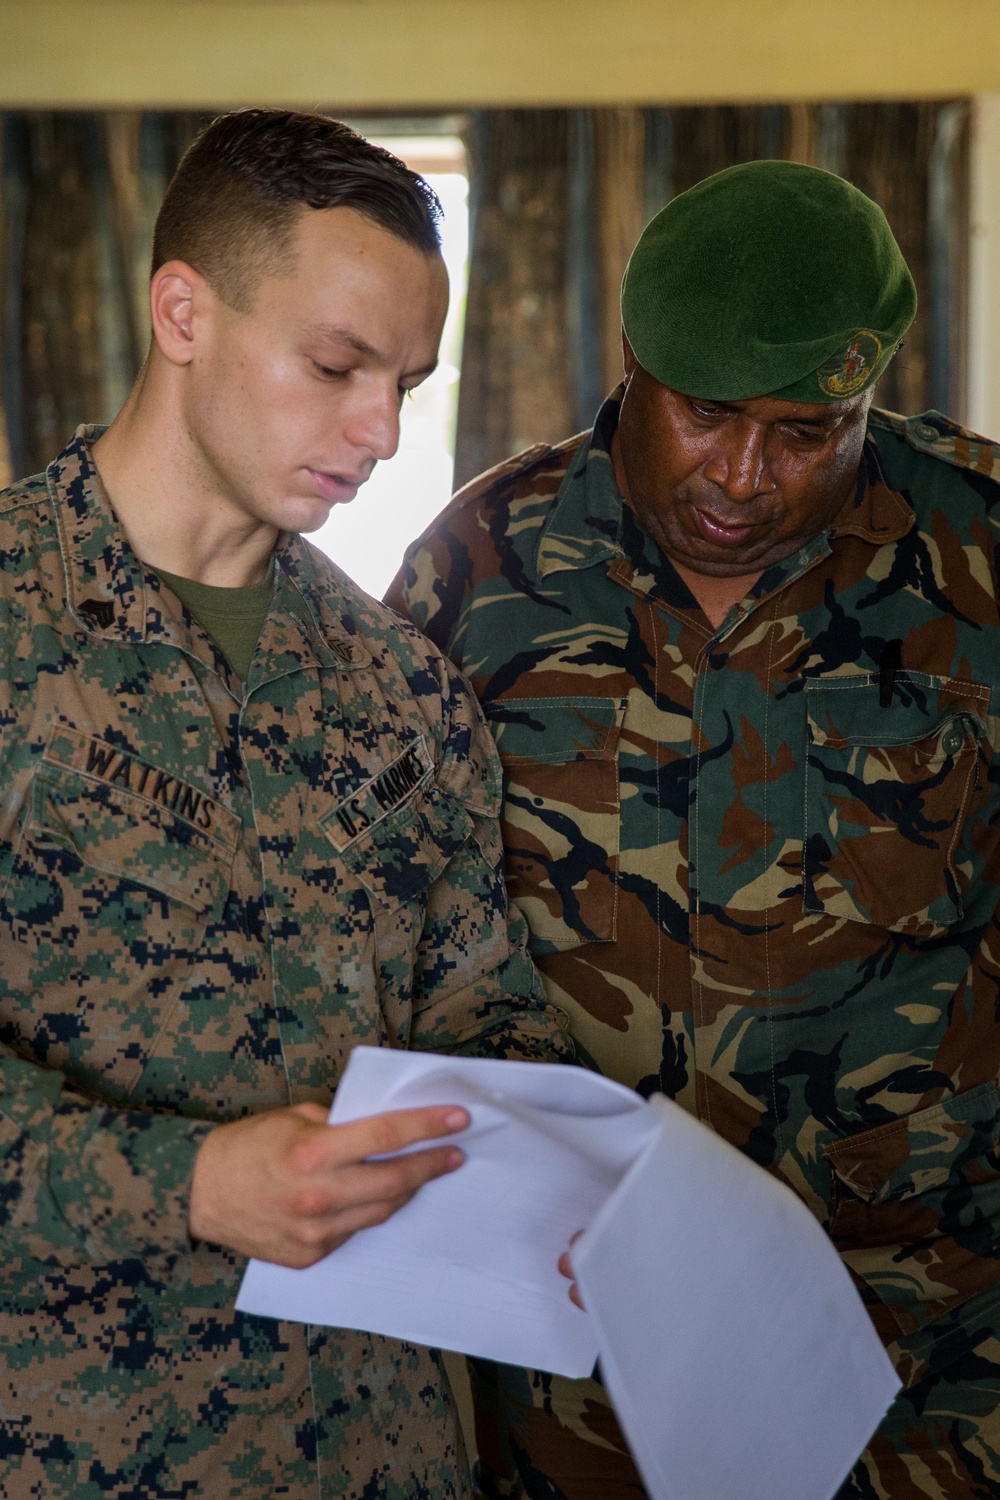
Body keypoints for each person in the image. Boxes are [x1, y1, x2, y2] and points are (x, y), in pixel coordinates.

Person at [387, 159, 1000, 1499]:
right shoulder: (480, 567)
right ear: (635, 366)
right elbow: (405, 933)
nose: (745, 473)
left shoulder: (980, 553)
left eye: (806, 429)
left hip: (921, 1341)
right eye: (709, 415)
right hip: (578, 1347)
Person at [0, 108, 570, 1499]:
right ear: (182, 310)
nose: (378, 429)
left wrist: (569, 1162)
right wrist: (185, 1186)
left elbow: (475, 1022)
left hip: (376, 1452)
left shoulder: (406, 696)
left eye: (406, 382)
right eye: (334, 365)